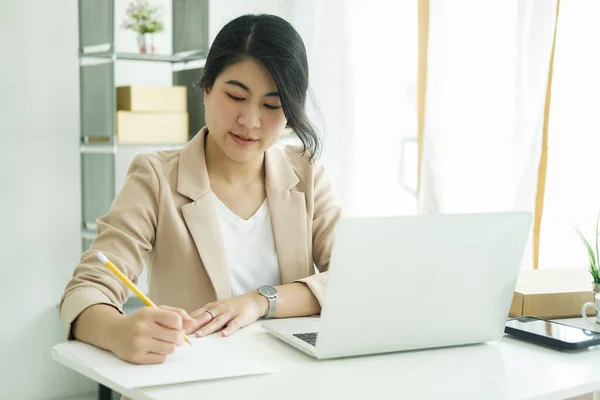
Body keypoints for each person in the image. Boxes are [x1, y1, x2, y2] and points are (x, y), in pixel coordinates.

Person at [59, 13, 341, 365]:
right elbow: (86, 289)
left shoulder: (307, 174)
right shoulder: (156, 178)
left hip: (287, 381)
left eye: (271, 105)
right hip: (188, 380)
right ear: (206, 87)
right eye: (236, 96)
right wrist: (118, 332)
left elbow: (351, 279)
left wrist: (258, 301)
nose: (250, 121)